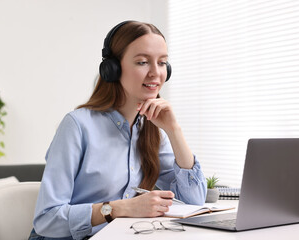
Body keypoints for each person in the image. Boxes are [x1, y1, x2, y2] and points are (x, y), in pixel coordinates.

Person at [29, 20, 207, 240]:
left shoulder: (151, 129)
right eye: (142, 62)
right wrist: (120, 208)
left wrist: (174, 130)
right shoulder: (77, 126)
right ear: (112, 69)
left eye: (162, 63)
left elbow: (194, 201)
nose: (155, 73)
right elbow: (47, 220)